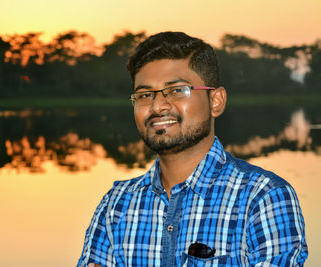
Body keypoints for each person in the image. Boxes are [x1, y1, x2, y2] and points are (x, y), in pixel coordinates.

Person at [77, 32, 308, 266]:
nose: (157, 106)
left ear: (215, 101)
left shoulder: (263, 197)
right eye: (145, 95)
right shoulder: (116, 204)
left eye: (177, 90)